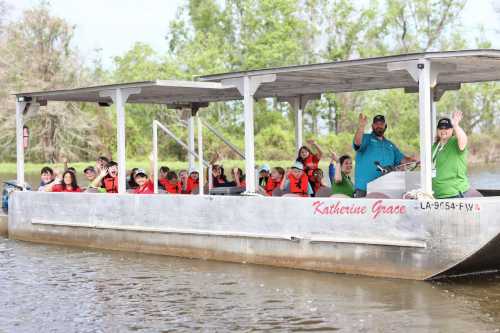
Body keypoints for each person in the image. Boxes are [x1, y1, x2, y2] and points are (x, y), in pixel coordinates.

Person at [353, 113, 417, 197]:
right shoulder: (365, 138)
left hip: (386, 190)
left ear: (385, 126)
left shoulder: (390, 145)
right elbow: (357, 143)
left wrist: (415, 159)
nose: (379, 126)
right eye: (376, 124)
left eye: (381, 124)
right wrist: (361, 127)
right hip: (364, 190)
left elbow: (403, 161)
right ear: (372, 126)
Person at [432, 112, 469, 199]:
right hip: (437, 194)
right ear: (437, 130)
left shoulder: (455, 142)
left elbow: (463, 140)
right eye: (441, 128)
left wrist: (456, 125)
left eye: (447, 128)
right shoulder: (434, 146)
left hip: (454, 194)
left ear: (452, 130)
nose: (443, 130)